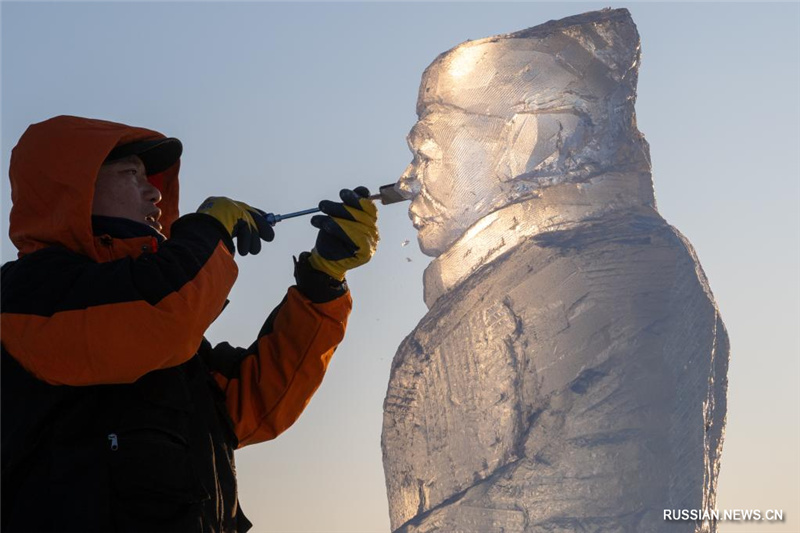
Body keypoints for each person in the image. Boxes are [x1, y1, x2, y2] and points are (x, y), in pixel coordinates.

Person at [382, 9, 728, 532]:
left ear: (537, 141)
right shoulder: (527, 273)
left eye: (427, 151)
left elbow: (597, 499)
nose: (408, 180)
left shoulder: (620, 272)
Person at [1, 114, 379, 532]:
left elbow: (255, 403)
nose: (154, 193)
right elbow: (165, 315)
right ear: (73, 190)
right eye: (131, 175)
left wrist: (322, 282)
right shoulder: (31, 293)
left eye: (153, 179)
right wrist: (208, 229)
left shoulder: (157, 331)